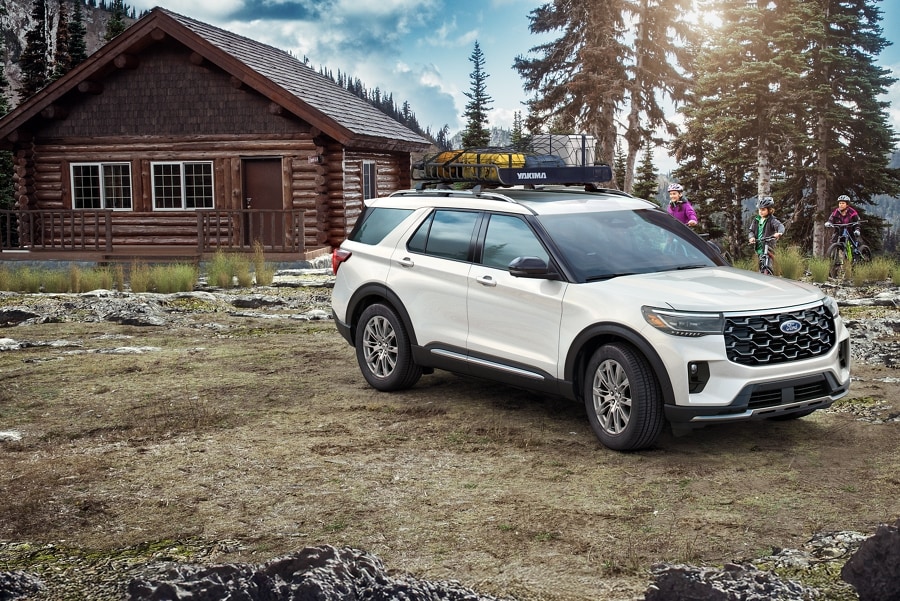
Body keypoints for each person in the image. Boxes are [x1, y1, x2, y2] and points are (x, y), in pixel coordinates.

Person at [748, 196, 784, 262]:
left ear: (769, 210)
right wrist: (751, 237)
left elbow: (780, 226)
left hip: (769, 248)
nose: (761, 212)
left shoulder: (772, 220)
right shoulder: (756, 220)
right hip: (759, 248)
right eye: (760, 209)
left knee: (770, 265)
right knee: (760, 267)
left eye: (763, 210)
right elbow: (751, 231)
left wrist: (779, 233)